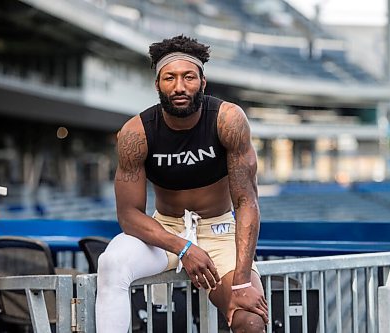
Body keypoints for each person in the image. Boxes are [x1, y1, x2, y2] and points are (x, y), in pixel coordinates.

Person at [95, 35, 268, 333]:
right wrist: (184, 247)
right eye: (169, 78)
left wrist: (241, 280)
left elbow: (246, 202)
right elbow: (128, 215)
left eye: (188, 77)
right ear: (157, 85)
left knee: (249, 319)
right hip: (165, 232)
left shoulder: (228, 120)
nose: (179, 87)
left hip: (220, 231)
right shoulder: (136, 133)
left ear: (202, 82)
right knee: (111, 263)